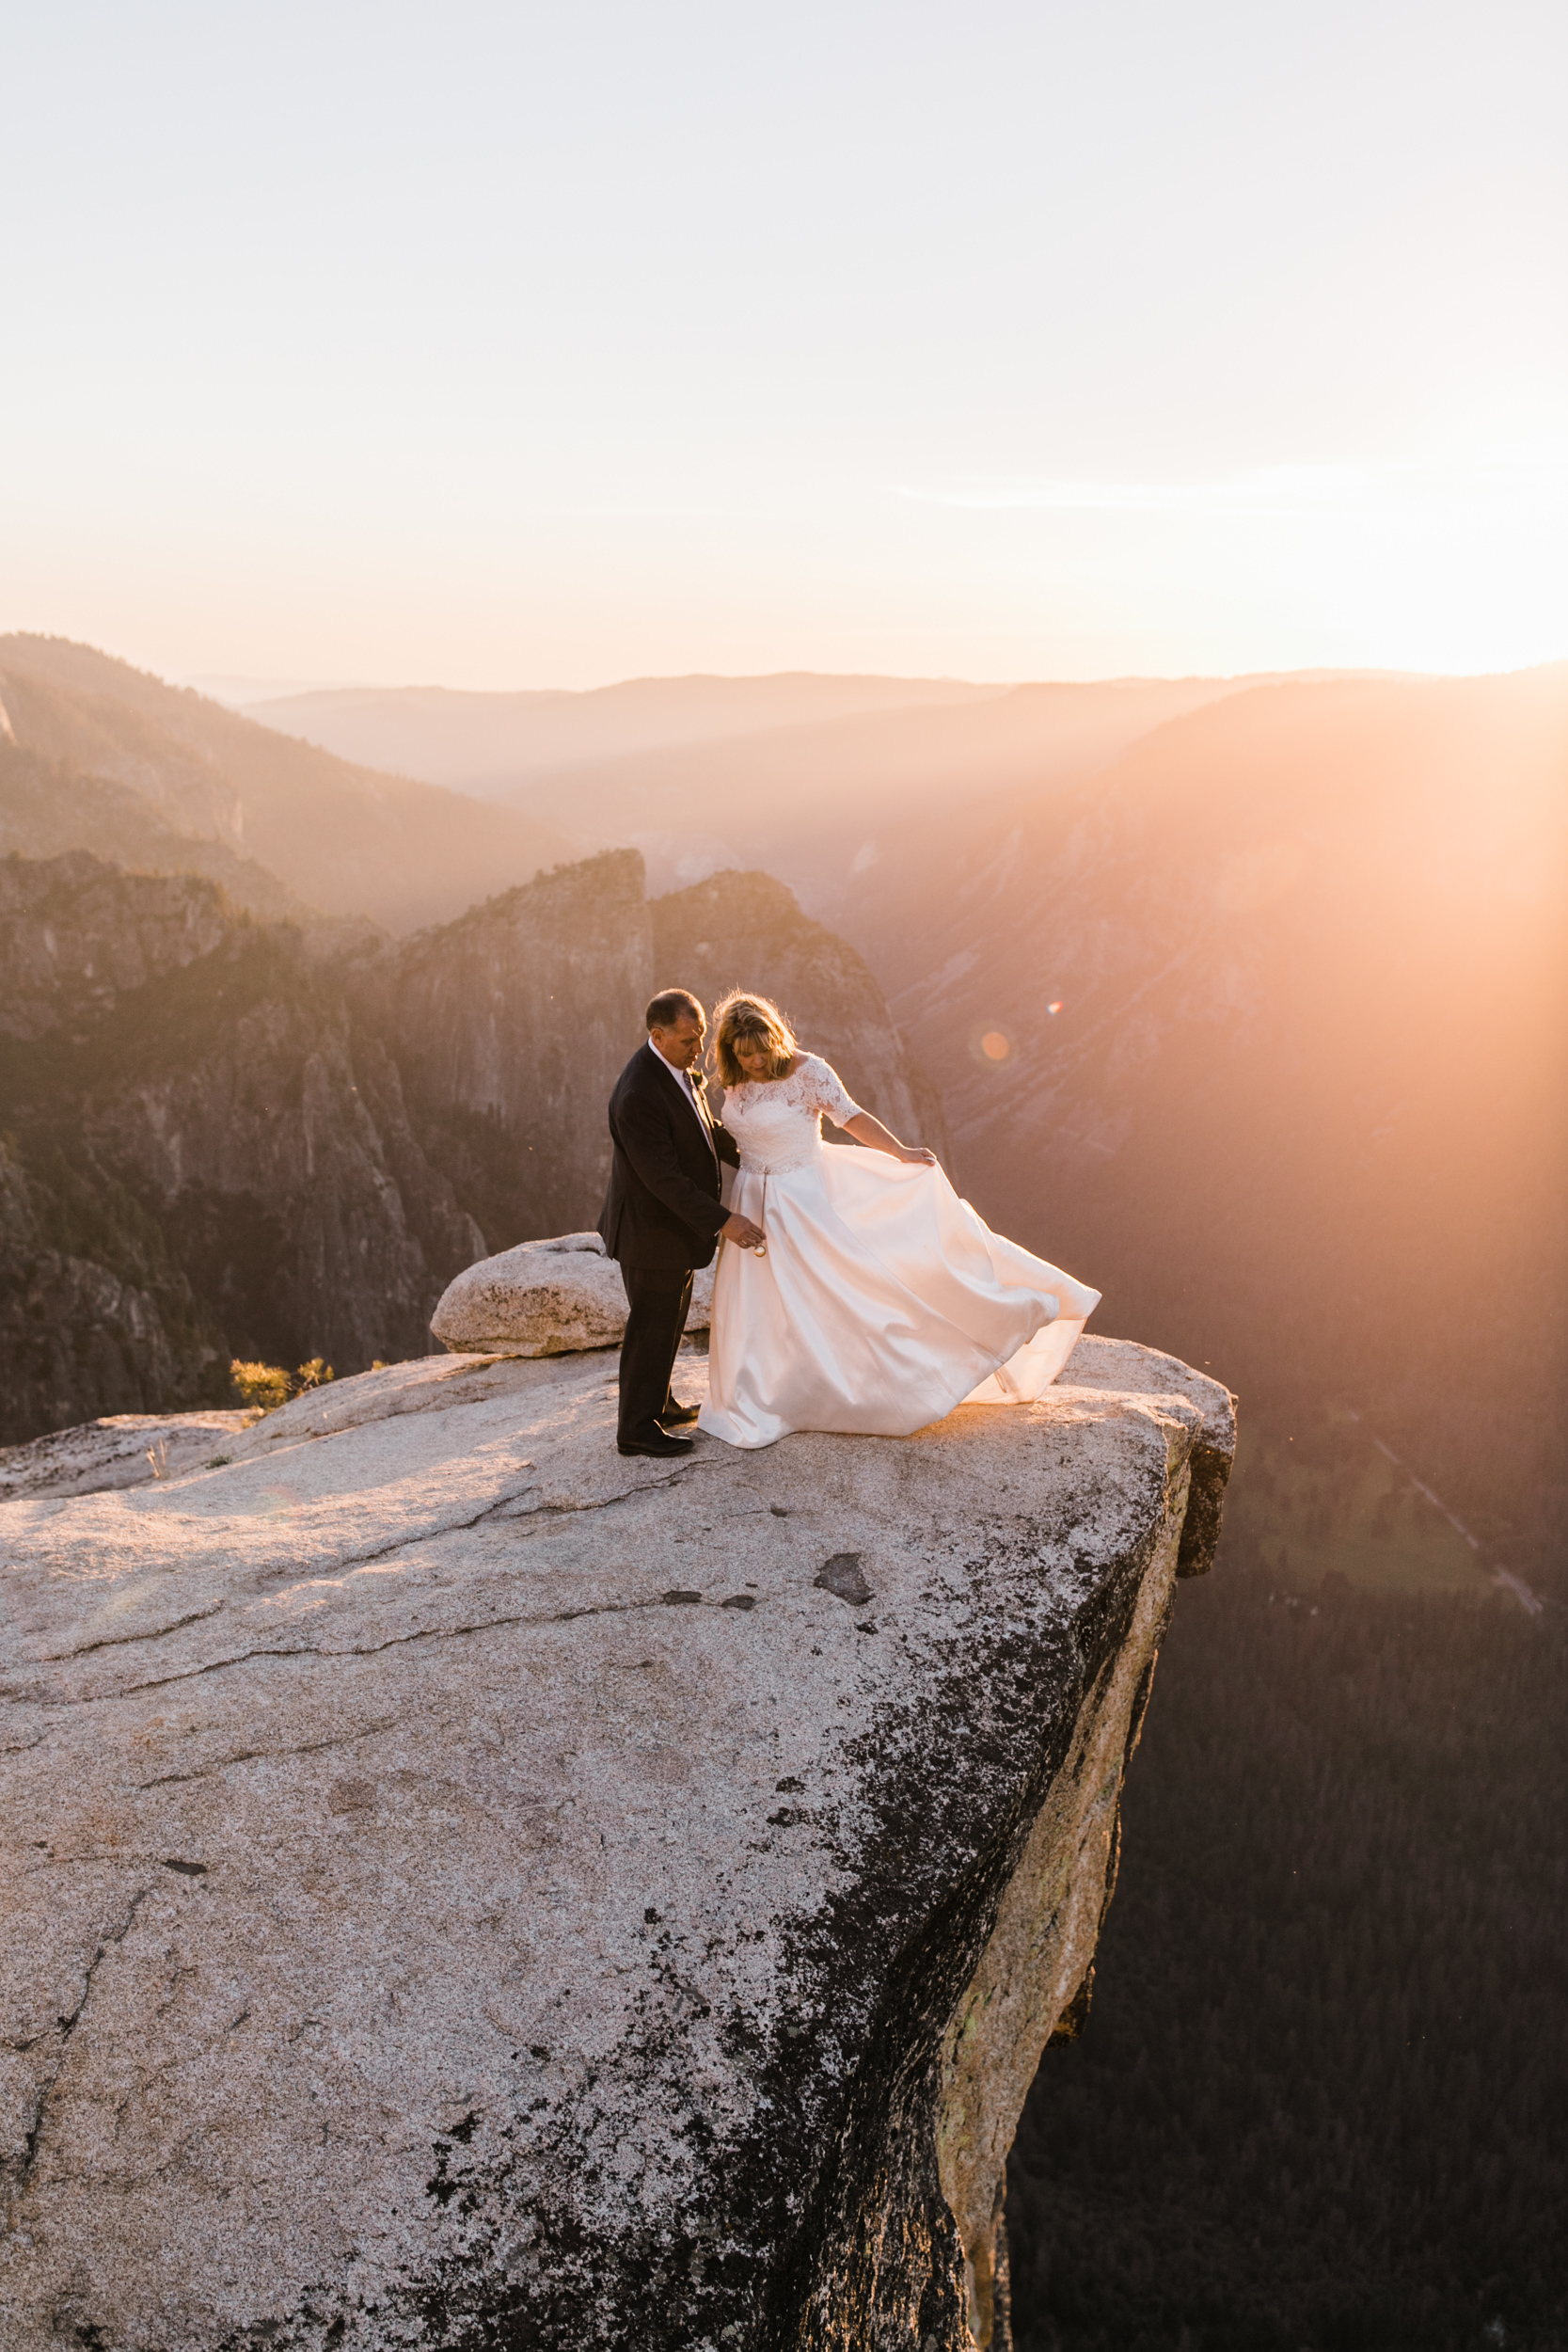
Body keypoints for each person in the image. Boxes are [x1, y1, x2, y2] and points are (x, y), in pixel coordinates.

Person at [697, 992, 1101, 1450]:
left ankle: (861, 1385)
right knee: (759, 1301)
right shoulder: (734, 1080)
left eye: (760, 1050)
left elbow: (851, 1118)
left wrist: (901, 1153)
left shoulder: (808, 1071)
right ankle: (767, 1392)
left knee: (832, 1292)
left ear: (775, 1038)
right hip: (750, 1197)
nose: (753, 1060)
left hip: (803, 1200)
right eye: (743, 1053)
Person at [598, 988, 766, 1458]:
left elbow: (704, 1134)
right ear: (658, 1035)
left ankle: (659, 1404)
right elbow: (663, 1179)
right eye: (690, 1040)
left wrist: (758, 1154)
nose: (699, 1049)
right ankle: (635, 1430)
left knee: (669, 1321)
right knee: (651, 1325)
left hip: (674, 1233)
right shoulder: (639, 1094)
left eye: (701, 1036)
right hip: (650, 1234)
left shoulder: (675, 1070)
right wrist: (724, 1221)